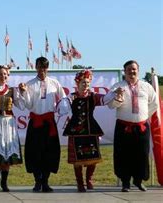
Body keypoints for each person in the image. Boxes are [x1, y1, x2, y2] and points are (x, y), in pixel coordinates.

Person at [105, 60, 158, 192]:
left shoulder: (147, 87)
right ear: (124, 72)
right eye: (129, 69)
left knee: (142, 154)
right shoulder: (117, 86)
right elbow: (110, 105)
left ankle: (139, 181)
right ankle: (125, 183)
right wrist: (117, 97)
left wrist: (143, 117)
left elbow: (154, 104)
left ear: (138, 70)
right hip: (123, 127)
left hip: (142, 127)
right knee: (123, 155)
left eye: (134, 69)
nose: (131, 72)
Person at [18, 56, 70, 192]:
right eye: (39, 67)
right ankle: (37, 181)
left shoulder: (54, 83)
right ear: (36, 67)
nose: (42, 70)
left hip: (49, 123)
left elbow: (63, 100)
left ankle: (45, 181)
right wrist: (24, 92)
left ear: (48, 68)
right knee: (34, 152)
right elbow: (28, 105)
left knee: (49, 152)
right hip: (35, 122)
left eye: (44, 67)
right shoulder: (29, 84)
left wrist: (63, 108)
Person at [63, 69, 108, 192]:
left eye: (88, 82)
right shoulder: (72, 96)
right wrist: (65, 102)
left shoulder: (93, 96)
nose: (86, 85)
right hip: (75, 130)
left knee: (92, 158)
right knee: (77, 160)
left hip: (91, 128)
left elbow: (106, 99)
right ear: (77, 83)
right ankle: (80, 183)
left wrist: (116, 95)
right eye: (83, 82)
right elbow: (62, 106)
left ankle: (89, 180)